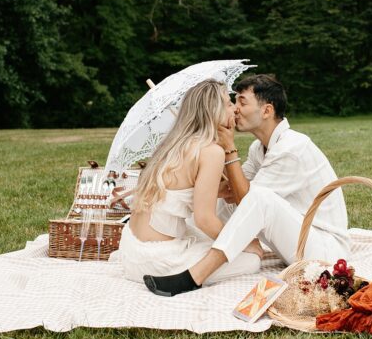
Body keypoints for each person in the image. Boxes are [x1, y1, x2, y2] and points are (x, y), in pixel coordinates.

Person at [144, 74, 350, 297]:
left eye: (242, 102)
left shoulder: (292, 148)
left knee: (260, 199)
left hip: (325, 252)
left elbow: (249, 200)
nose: (235, 109)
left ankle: (195, 276)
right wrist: (212, 146)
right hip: (294, 242)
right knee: (224, 201)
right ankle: (193, 249)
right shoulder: (257, 148)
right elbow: (234, 190)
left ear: (266, 111)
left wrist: (229, 147)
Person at [116, 78, 263, 286]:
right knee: (252, 260)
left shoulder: (174, 143)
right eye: (229, 103)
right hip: (158, 262)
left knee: (207, 239)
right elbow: (204, 219)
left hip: (132, 250)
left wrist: (218, 191)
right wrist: (242, 243)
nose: (234, 109)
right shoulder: (211, 152)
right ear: (214, 111)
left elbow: (179, 190)